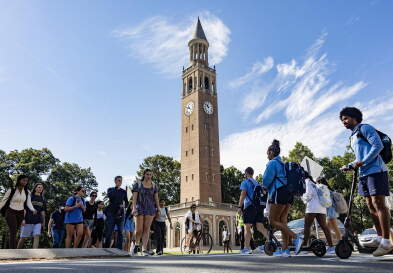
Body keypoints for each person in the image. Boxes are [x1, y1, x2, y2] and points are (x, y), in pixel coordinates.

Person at [340, 107, 393, 256]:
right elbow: (359, 157)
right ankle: (380, 236)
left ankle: (387, 241)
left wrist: (362, 162)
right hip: (363, 174)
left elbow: (378, 146)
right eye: (342, 119)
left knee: (378, 203)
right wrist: (350, 165)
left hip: (376, 170)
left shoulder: (365, 128)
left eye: (346, 118)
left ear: (354, 117)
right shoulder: (353, 137)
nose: (344, 122)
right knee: (370, 206)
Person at [262, 140, 303, 257]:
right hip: (289, 193)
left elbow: (266, 181)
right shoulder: (283, 164)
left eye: (267, 153)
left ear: (271, 152)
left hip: (278, 192)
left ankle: (296, 238)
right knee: (282, 221)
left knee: (272, 220)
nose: (266, 155)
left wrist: (264, 187)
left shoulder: (272, 163)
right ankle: (285, 250)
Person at [301, 174, 335, 254]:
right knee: (324, 227)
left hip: (312, 208)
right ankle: (331, 247)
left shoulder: (307, 182)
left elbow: (309, 195)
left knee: (307, 227)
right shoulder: (315, 184)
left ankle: (305, 246)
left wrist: (302, 198)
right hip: (322, 208)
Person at [238, 167, 269, 255]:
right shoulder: (257, 183)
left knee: (247, 228)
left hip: (249, 207)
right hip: (259, 207)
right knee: (260, 226)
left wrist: (240, 207)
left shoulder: (245, 182)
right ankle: (270, 241)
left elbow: (243, 194)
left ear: (246, 173)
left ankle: (246, 248)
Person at [0, 174, 36, 249]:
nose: (25, 182)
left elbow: (28, 203)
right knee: (13, 229)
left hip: (20, 213)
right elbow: (4, 201)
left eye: (26, 181)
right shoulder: (11, 190)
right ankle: (13, 250)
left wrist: (32, 209)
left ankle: (13, 249)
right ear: (19, 180)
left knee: (15, 231)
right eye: (23, 180)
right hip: (10, 211)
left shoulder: (27, 192)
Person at [132, 169, 160, 256]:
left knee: (147, 229)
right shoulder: (138, 184)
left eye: (150, 175)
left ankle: (144, 249)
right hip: (140, 207)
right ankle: (136, 245)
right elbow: (134, 198)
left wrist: (158, 208)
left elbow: (156, 198)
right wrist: (133, 208)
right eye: (147, 174)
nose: (149, 176)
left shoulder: (154, 185)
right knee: (139, 229)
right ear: (144, 175)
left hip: (150, 208)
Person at [17, 183, 47, 249]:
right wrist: (23, 219)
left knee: (36, 235)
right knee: (23, 238)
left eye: (41, 188)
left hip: (38, 221)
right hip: (28, 220)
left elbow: (43, 212)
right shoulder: (30, 196)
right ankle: (17, 251)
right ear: (35, 188)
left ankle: (34, 253)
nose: (40, 189)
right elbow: (24, 209)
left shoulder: (43, 199)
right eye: (39, 187)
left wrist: (43, 222)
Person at [104, 176, 128, 249]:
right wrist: (116, 188)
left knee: (120, 232)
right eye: (118, 180)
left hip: (120, 213)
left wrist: (124, 205)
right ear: (115, 181)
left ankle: (119, 249)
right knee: (109, 232)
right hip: (111, 213)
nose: (119, 182)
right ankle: (107, 248)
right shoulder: (110, 189)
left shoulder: (124, 192)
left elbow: (127, 203)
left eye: (121, 181)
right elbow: (110, 196)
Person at [316, 177, 341, 242]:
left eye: (317, 183)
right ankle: (331, 243)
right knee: (327, 228)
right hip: (331, 210)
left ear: (319, 182)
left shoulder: (324, 189)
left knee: (334, 227)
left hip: (330, 210)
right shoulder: (328, 189)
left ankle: (340, 242)